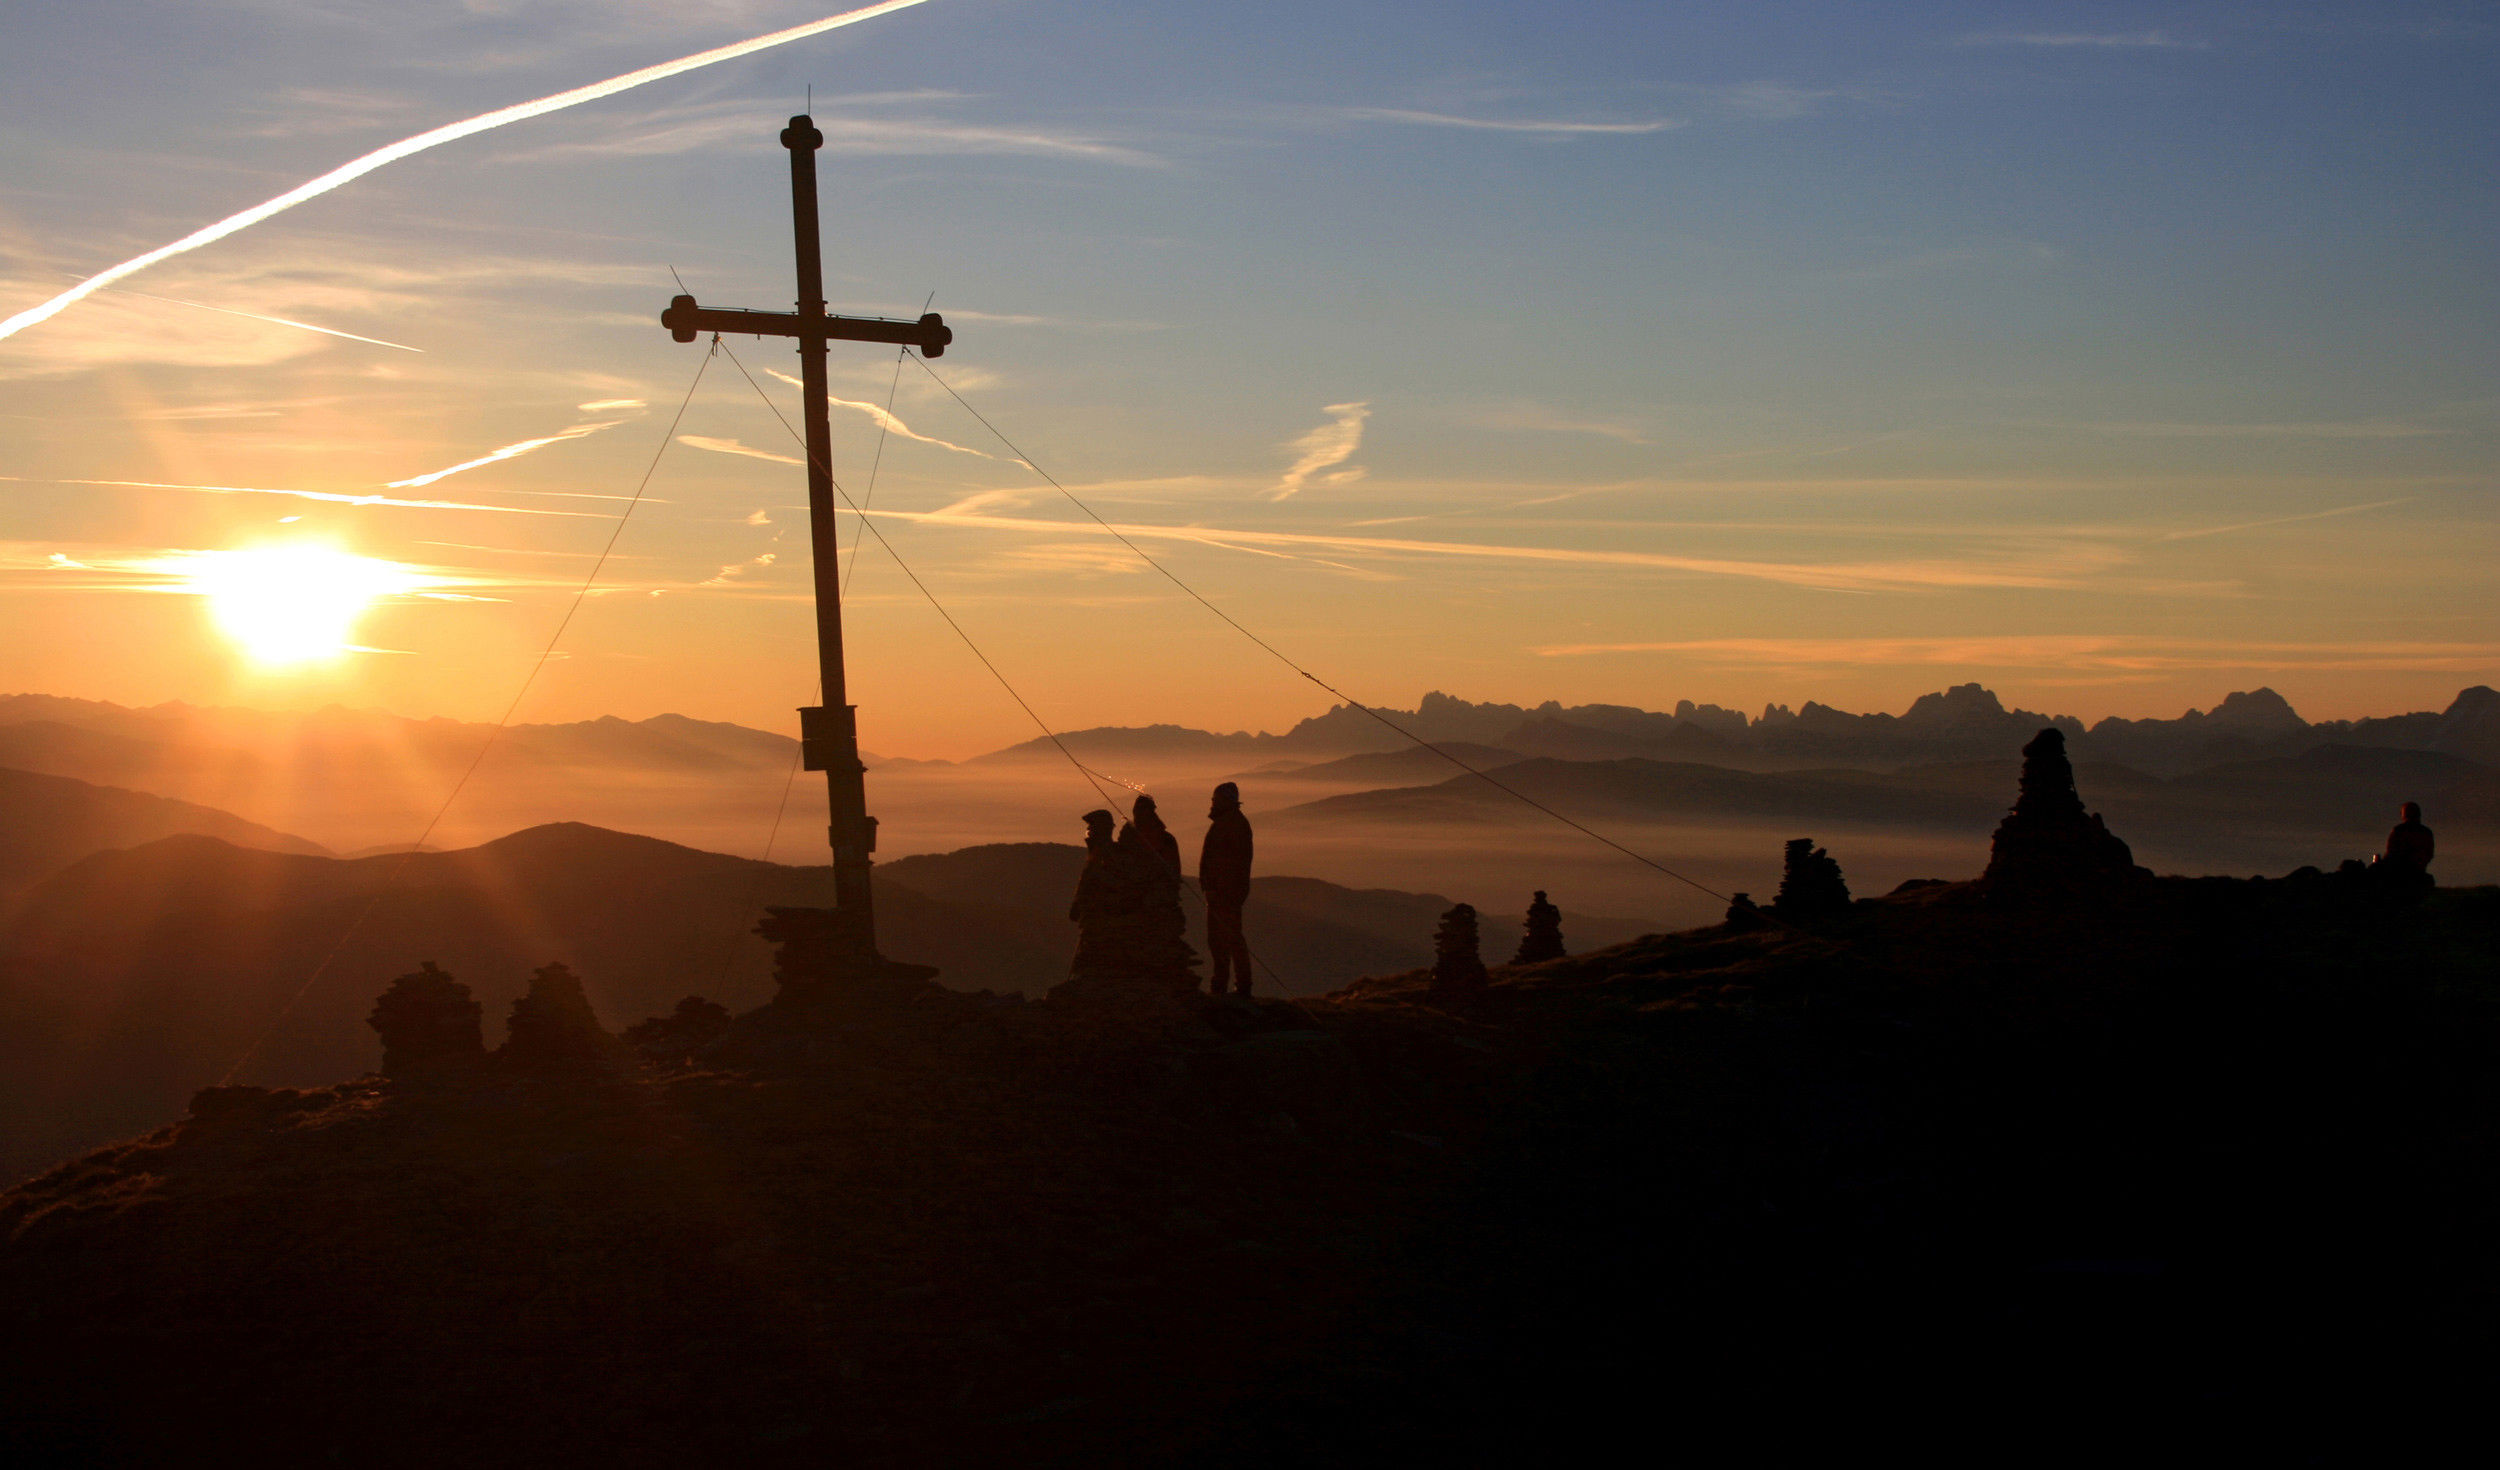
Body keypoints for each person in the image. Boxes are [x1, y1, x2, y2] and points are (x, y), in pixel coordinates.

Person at [1199, 782, 1254, 995]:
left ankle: (1238, 986)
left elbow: (1233, 863)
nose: (1212, 803)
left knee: (1230, 940)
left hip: (1225, 894)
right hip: (1222, 893)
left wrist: (1218, 888)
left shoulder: (1232, 825)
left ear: (1224, 801)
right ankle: (1225, 985)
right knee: (1220, 941)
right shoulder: (1229, 823)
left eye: (1215, 800)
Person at [2380, 800, 2435, 877]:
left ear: (2404, 814)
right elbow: (2429, 853)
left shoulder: (2399, 830)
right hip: (2418, 870)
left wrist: (2381, 863)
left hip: (2399, 869)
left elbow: (2391, 852)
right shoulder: (2426, 832)